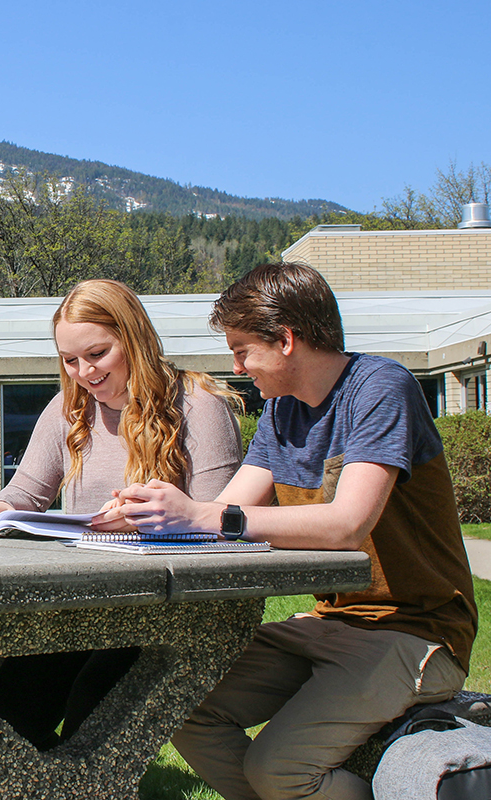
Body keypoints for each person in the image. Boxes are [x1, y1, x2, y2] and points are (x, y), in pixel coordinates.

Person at [95, 262, 477, 800]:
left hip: (416, 634)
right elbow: (225, 511)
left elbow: (348, 523)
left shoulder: (380, 388)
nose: (237, 365)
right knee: (176, 704)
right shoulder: (280, 414)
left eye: (242, 349)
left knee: (278, 769)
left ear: (287, 340)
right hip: (331, 622)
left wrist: (204, 516)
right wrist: (152, 513)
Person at [0, 278, 244, 750]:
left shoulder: (198, 406)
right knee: (9, 705)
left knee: (94, 706)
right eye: (69, 361)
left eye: (97, 354)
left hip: (163, 610)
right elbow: (27, 492)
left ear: (134, 338)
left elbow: (223, 527)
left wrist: (153, 518)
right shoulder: (70, 408)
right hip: (81, 603)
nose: (83, 373)